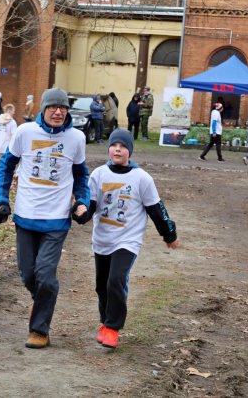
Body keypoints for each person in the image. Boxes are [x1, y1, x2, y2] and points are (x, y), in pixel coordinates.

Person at [0, 87, 90, 349]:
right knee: (27, 275)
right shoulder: (25, 133)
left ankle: (39, 330)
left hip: (57, 220)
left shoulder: (76, 138)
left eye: (63, 108)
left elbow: (81, 175)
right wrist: (1, 199)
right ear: (43, 109)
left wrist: (82, 202)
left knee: (45, 275)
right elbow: (5, 166)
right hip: (25, 216)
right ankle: (44, 302)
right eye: (53, 107)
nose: (58, 112)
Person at [77, 129, 179, 349]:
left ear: (129, 151)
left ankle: (113, 328)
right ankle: (105, 322)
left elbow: (156, 210)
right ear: (109, 149)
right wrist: (81, 213)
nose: (117, 149)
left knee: (116, 280)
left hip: (127, 240)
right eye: (114, 145)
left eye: (123, 147)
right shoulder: (99, 174)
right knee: (101, 286)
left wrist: (169, 234)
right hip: (102, 239)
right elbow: (91, 204)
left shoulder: (141, 178)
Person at [0, 103, 18, 180]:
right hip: (7, 146)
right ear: (10, 110)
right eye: (13, 111)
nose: (14, 112)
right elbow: (14, 136)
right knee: (4, 163)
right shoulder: (12, 122)